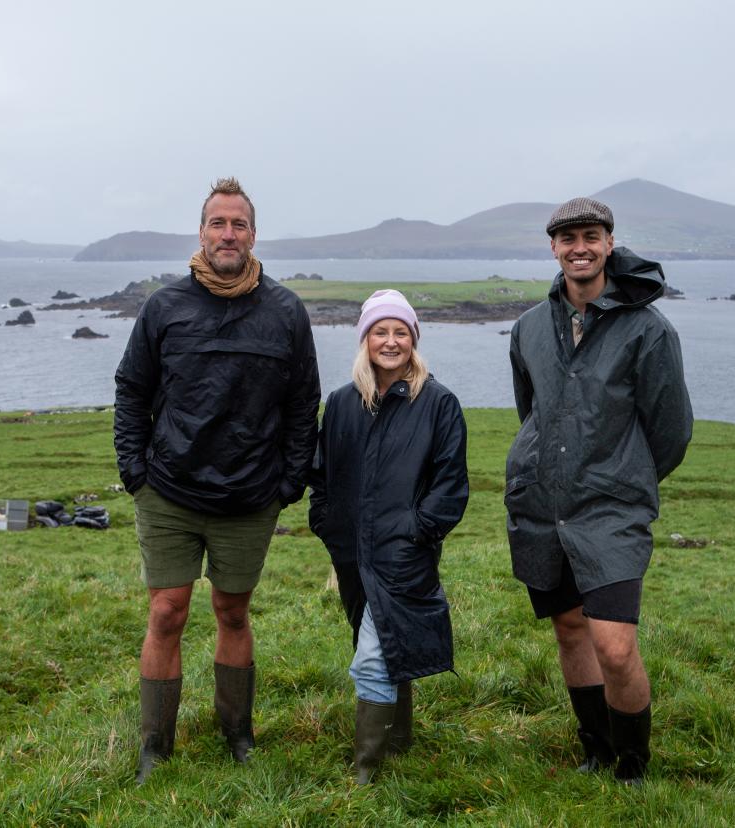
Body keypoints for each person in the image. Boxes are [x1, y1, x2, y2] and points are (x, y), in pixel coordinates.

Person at [114, 177, 320, 783]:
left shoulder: (284, 310)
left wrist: (288, 481)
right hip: (169, 491)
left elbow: (303, 401)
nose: (227, 234)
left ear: (253, 235)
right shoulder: (164, 307)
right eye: (217, 223)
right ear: (201, 232)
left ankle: (238, 732)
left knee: (233, 612)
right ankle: (156, 744)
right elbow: (132, 391)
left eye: (238, 224)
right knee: (167, 613)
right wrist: (135, 472)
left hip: (250, 495)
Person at [504, 197, 692, 784]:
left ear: (610, 243)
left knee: (614, 646)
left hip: (611, 510)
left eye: (590, 236)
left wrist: (622, 478)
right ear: (553, 248)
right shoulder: (530, 327)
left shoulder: (648, 330)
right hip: (544, 506)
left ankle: (633, 766)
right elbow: (530, 411)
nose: (579, 247)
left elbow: (671, 430)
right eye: (567, 238)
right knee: (569, 630)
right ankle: (596, 748)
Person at [309, 289, 469, 784]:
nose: (391, 341)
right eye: (381, 331)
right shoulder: (340, 404)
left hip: (405, 554)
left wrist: (418, 532)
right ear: (365, 339)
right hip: (351, 555)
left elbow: (450, 484)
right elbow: (322, 476)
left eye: (401, 332)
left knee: (373, 656)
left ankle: (366, 770)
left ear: (414, 340)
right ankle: (398, 740)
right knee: (378, 639)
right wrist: (328, 524)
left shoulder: (438, 404)